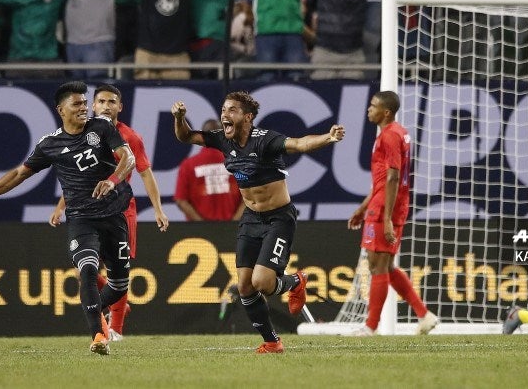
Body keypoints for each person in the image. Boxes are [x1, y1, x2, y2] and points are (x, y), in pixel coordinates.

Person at [0, 81, 136, 356]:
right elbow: (19, 175)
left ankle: (98, 308)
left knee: (119, 285)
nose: (84, 107)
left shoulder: (101, 127)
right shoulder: (50, 144)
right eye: (76, 104)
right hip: (81, 218)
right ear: (60, 110)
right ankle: (98, 335)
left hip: (114, 215)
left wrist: (112, 181)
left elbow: (128, 158)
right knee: (87, 271)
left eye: (84, 102)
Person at [171, 92, 346, 353]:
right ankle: (272, 342)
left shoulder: (265, 140)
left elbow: (299, 144)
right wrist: (180, 118)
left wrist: (327, 138)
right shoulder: (222, 139)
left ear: (248, 117)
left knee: (263, 283)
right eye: (223, 109)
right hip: (251, 218)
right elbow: (186, 136)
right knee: (244, 286)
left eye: (232, 110)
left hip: (278, 218)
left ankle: (296, 281)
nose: (224, 115)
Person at [49, 83, 170, 341]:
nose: (106, 106)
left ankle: (115, 328)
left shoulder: (131, 137)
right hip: (88, 210)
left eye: (111, 102)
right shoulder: (85, 133)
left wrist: (158, 209)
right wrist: (62, 206)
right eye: (101, 101)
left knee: (119, 268)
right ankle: (117, 304)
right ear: (93, 105)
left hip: (120, 209)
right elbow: (77, 178)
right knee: (84, 271)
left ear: (120, 107)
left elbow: (145, 173)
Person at [346, 91, 438, 336]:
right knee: (385, 265)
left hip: (388, 207)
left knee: (377, 266)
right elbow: (382, 180)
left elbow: (393, 176)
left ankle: (370, 327)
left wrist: (385, 217)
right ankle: (424, 314)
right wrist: (362, 208)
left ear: (386, 112)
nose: (369, 109)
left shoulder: (389, 136)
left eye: (374, 106)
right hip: (386, 203)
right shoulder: (399, 133)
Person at [173, 119, 243, 222]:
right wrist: (234, 223)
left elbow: (181, 200)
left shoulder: (188, 165)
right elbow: (249, 197)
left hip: (199, 233)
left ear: (201, 136)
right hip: (233, 231)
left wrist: (202, 225)